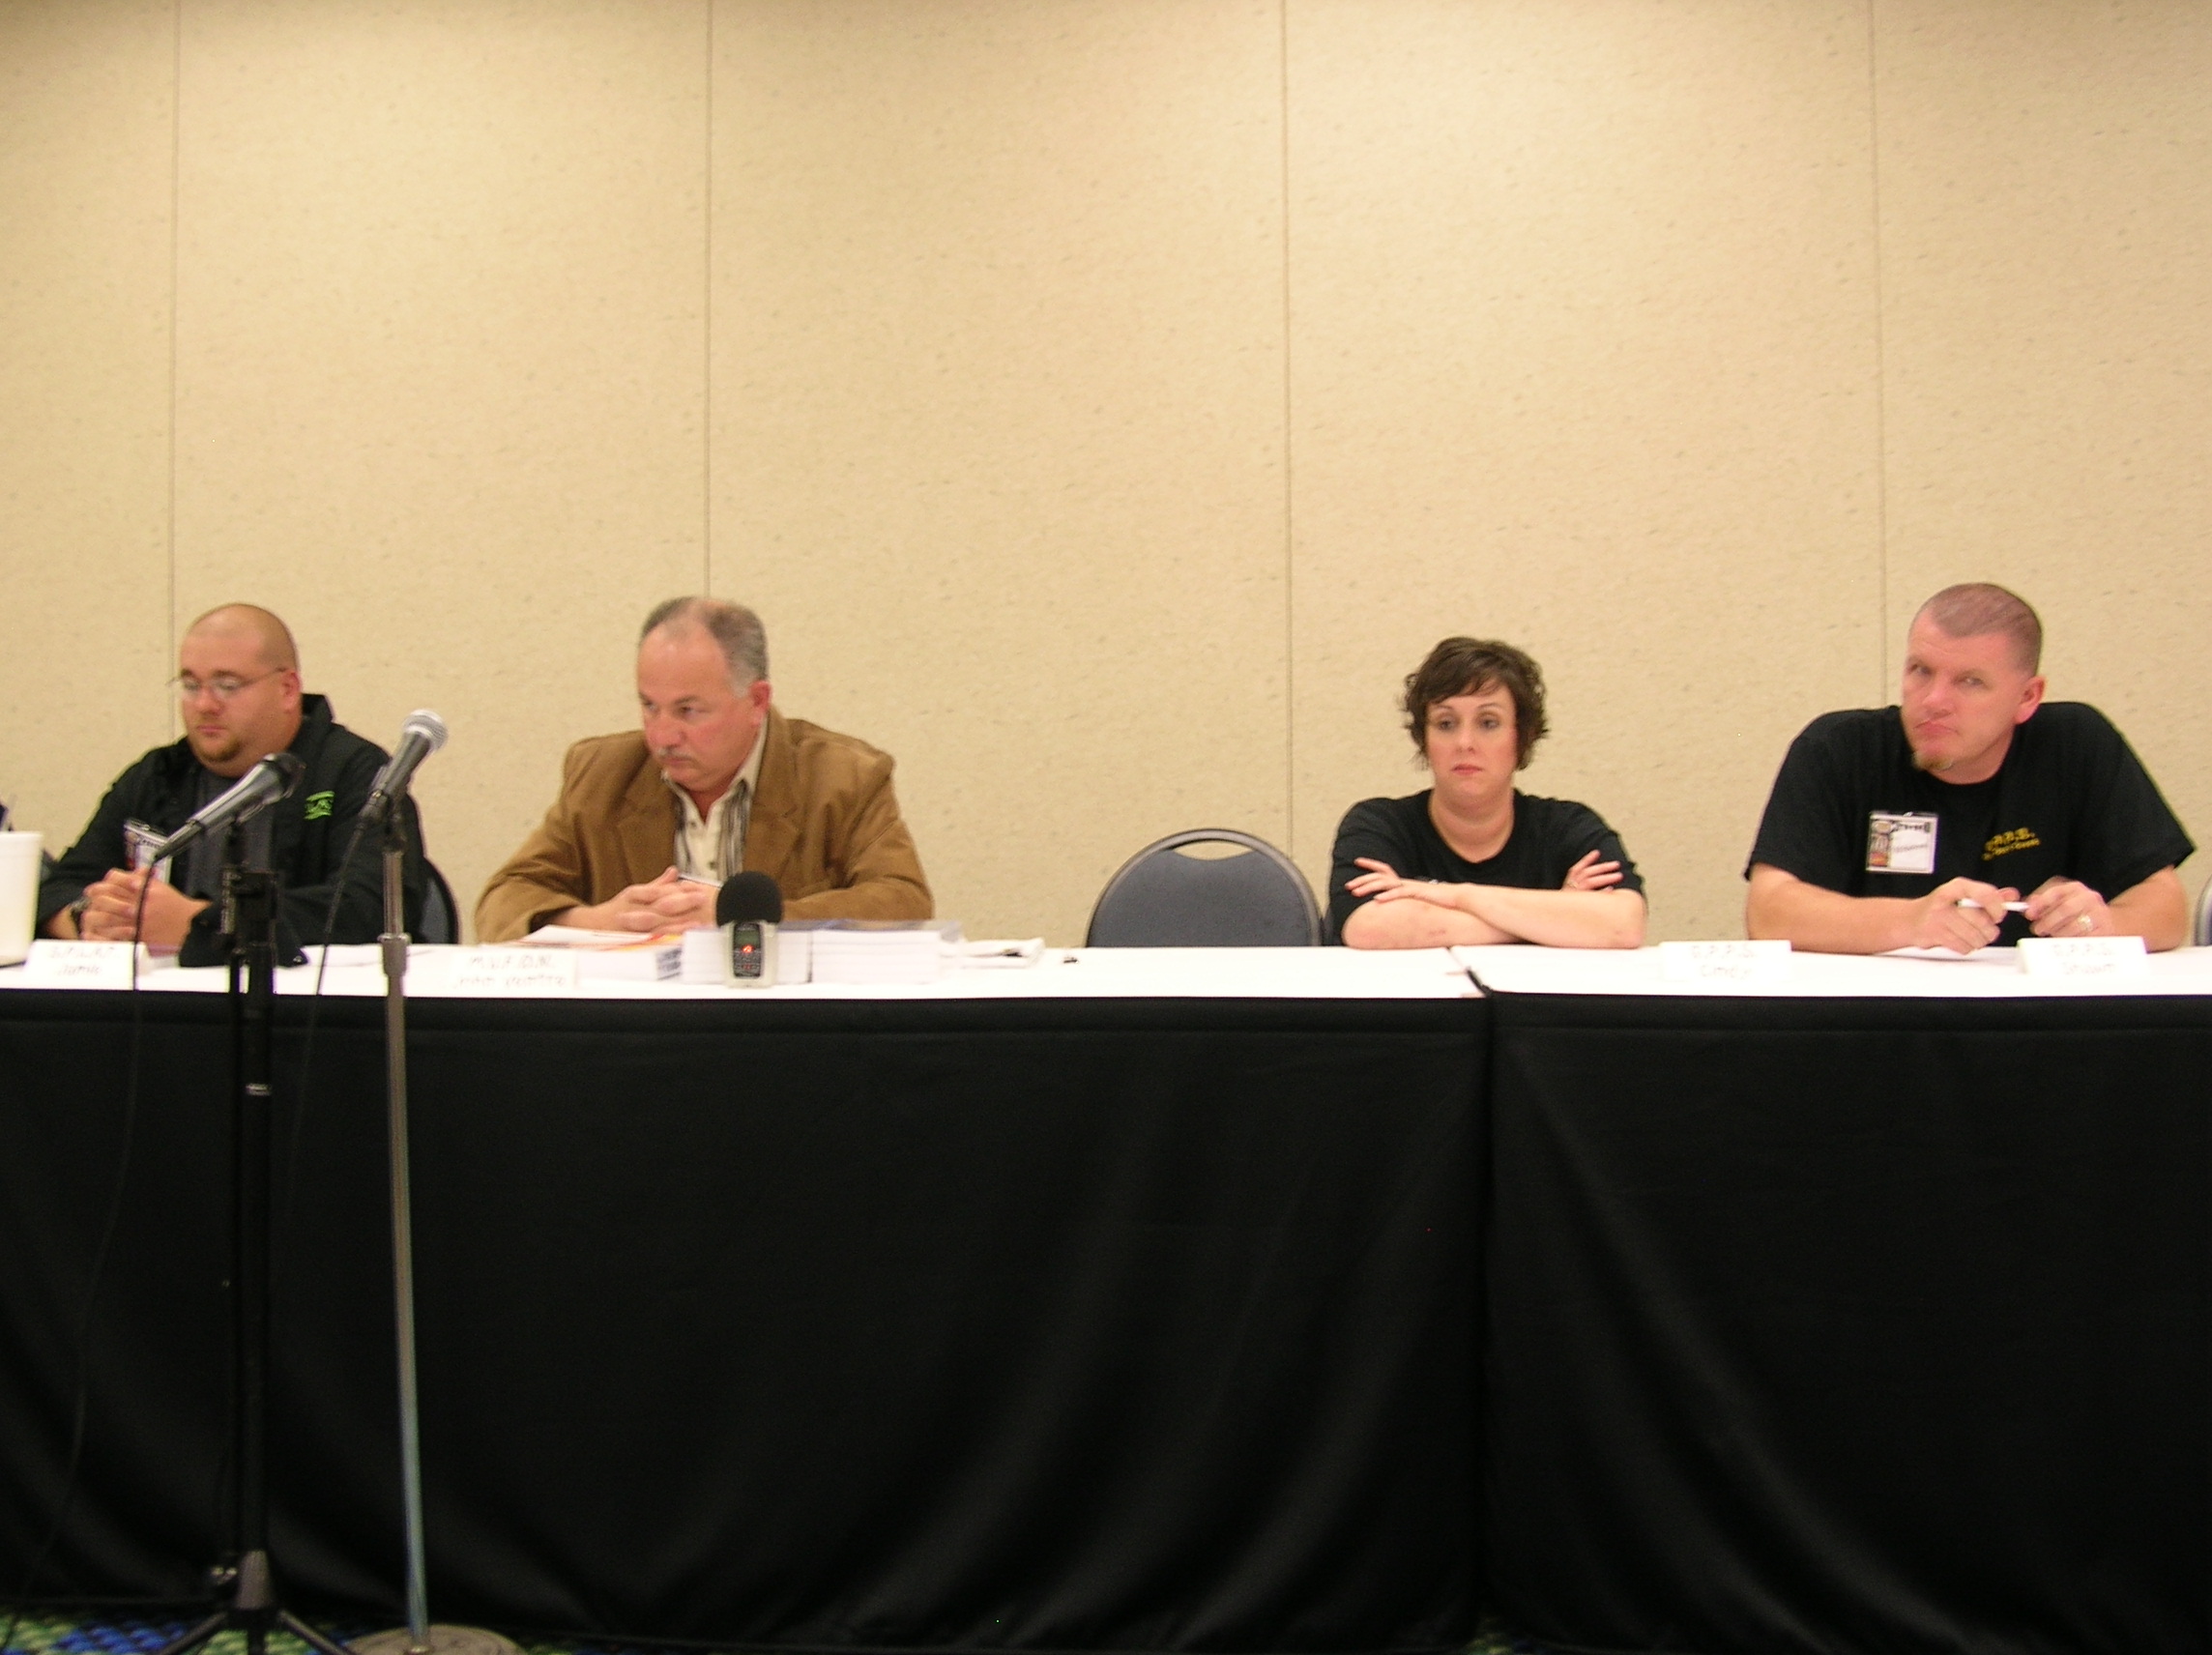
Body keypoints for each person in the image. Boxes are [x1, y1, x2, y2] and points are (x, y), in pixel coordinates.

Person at [1745, 583, 2193, 953]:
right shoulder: (1839, 750)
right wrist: (1912, 922)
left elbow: (2167, 910)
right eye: (1921, 670)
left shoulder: (2077, 745)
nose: (1934, 701)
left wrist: (2103, 925)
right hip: (1880, 1016)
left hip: (2037, 1014)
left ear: (2027, 698)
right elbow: (1769, 912)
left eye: (1970, 681)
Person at [477, 596, 930, 941]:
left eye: (688, 711)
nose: (662, 736)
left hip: (782, 1020)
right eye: (649, 706)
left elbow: (904, 902)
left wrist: (747, 918)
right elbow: (503, 900)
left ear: (756, 702)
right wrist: (596, 921)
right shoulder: (600, 774)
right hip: (642, 1022)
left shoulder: (843, 777)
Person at [38, 603, 431, 964]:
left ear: (287, 689)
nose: (205, 705)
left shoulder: (354, 772)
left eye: (227, 685)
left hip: (304, 1008)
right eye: (191, 686)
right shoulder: (159, 774)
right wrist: (91, 918)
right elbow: (56, 889)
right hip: (161, 1002)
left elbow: (370, 909)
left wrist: (201, 923)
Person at [1328, 637, 1645, 948]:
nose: (1465, 742)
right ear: (1424, 738)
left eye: (1488, 723)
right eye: (1446, 723)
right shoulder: (1378, 824)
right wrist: (1555, 920)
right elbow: (1370, 930)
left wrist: (1456, 896)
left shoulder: (1567, 827)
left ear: (1521, 736)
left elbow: (1624, 925)